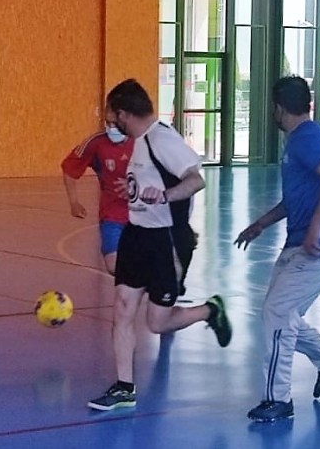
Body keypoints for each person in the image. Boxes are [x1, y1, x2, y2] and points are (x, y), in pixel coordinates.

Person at [88, 79, 231, 411]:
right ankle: (124, 387)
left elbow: (195, 180)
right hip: (136, 234)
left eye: (113, 117)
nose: (111, 124)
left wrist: (166, 195)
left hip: (166, 240)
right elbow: (151, 178)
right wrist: (134, 189)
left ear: (125, 114)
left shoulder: (162, 139)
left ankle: (210, 310)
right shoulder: (139, 141)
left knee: (157, 322)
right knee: (123, 306)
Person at [234, 76, 320, 423]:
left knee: (277, 311)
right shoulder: (297, 140)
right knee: (280, 315)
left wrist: (315, 227)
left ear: (279, 108)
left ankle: (278, 399)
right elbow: (296, 198)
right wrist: (261, 223)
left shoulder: (307, 138)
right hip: (299, 241)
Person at [61, 111, 133, 275]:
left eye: (115, 123)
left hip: (142, 215)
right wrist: (73, 202)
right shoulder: (96, 143)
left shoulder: (143, 141)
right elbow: (69, 167)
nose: (111, 128)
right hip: (112, 214)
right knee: (113, 266)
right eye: (108, 123)